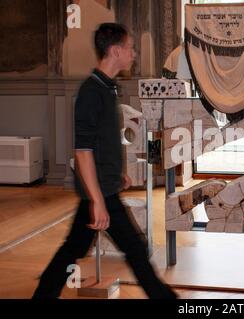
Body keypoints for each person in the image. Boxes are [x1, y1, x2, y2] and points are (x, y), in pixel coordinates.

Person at [33, 23, 177, 299]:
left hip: (103, 188)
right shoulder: (91, 92)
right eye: (130, 48)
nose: (133, 54)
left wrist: (117, 173)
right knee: (134, 251)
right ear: (115, 51)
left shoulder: (108, 88)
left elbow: (105, 142)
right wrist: (98, 200)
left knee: (72, 251)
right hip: (100, 194)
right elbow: (83, 151)